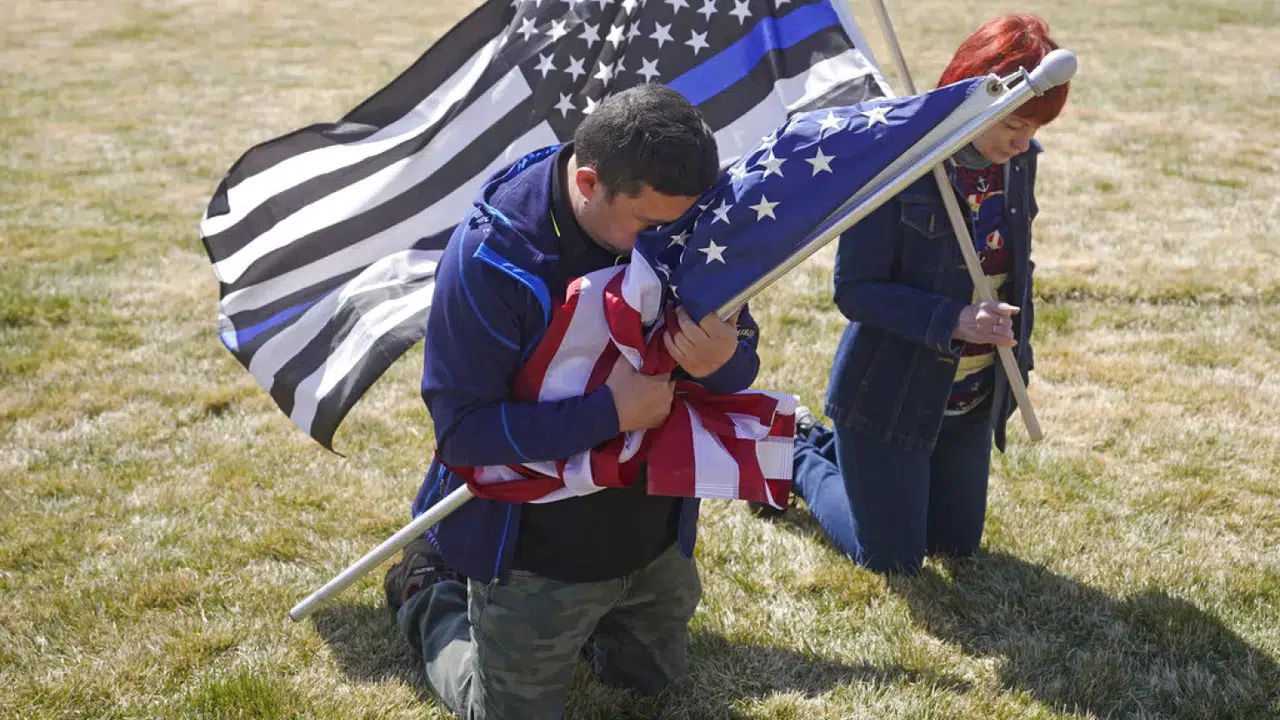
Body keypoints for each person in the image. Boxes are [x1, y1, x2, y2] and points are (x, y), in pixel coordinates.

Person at [384, 84, 761, 719]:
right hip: (536, 554)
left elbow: (741, 359)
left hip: (655, 539)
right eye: (649, 224)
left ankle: (614, 615)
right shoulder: (493, 256)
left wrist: (724, 361)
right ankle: (427, 589)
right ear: (588, 182)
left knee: (653, 688)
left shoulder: (684, 218)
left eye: (681, 223)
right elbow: (464, 434)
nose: (667, 241)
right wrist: (609, 414)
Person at [779, 14, 1070, 574]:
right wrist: (953, 319)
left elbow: (1016, 265)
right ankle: (797, 452)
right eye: (1015, 122)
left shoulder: (1018, 165)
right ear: (975, 93)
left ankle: (853, 462)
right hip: (891, 396)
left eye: (1036, 127)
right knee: (891, 559)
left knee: (955, 547)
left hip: (968, 401)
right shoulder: (901, 166)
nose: (1023, 140)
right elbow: (855, 291)